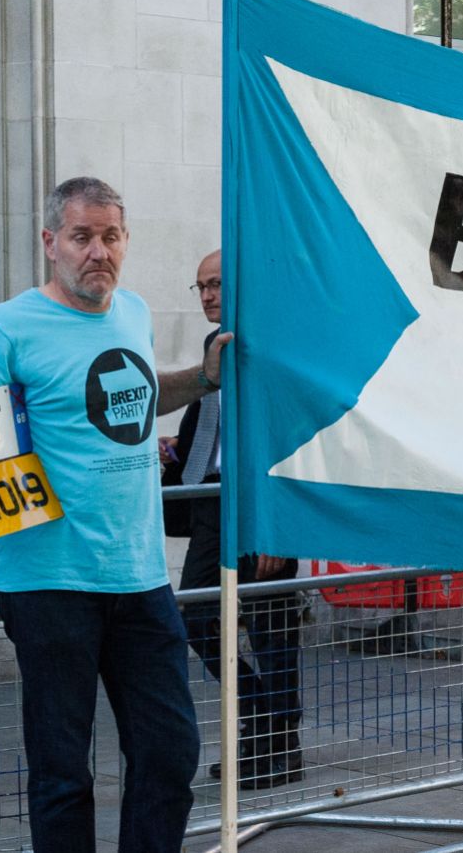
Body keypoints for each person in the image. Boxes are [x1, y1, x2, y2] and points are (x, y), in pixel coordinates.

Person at [0, 177, 230, 853]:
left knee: (170, 756)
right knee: (62, 775)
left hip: (140, 579)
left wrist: (200, 377)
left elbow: (140, 400)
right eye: (83, 237)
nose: (99, 252)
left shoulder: (135, 313)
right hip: (48, 583)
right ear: (50, 242)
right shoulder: (8, 325)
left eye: (111, 237)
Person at [161, 249, 305, 789]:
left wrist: (276, 522)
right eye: (199, 286)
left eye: (216, 284)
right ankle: (267, 719)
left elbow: (286, 434)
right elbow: (215, 419)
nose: (207, 295)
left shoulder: (272, 345)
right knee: (195, 616)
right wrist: (179, 450)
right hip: (210, 504)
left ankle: (278, 751)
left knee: (272, 630)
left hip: (260, 507)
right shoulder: (211, 346)